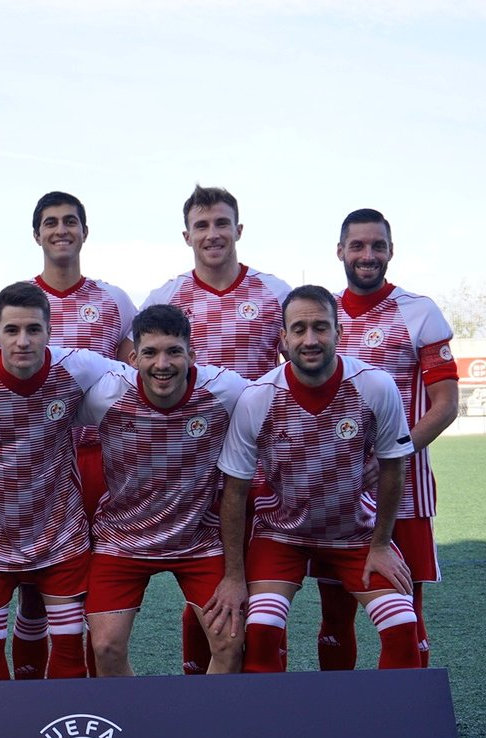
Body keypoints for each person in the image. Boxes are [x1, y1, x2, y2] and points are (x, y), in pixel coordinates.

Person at [217, 285, 419, 672]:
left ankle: (387, 729)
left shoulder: (375, 386)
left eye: (321, 328)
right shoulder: (258, 397)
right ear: (283, 339)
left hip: (353, 533)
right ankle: (269, 728)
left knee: (401, 628)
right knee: (261, 630)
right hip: (281, 536)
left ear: (339, 333)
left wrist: (381, 545)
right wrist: (234, 575)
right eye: (299, 329)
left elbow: (394, 467)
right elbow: (235, 490)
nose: (310, 339)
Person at [142, 184, 292, 674]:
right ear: (187, 235)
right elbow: (137, 366)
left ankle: (254, 689)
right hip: (191, 463)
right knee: (203, 578)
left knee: (251, 581)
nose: (213, 234)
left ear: (239, 229)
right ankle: (200, 686)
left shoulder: (275, 293)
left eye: (221, 223)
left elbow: (297, 367)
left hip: (259, 464)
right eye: (202, 226)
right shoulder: (166, 296)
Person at [0, 282, 115, 679]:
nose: (23, 341)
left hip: (60, 534)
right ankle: (3, 734)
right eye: (13, 330)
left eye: (34, 329)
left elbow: (141, 385)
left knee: (70, 650)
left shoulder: (79, 366)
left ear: (50, 332)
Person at [313, 209, 458, 669]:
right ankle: (341, 719)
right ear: (340, 251)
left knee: (406, 616)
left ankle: (407, 723)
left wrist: (393, 452)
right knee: (335, 616)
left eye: (377, 246)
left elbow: (445, 405)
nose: (367, 255)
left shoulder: (420, 311)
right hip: (338, 494)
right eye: (357, 246)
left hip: (406, 494)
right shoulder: (323, 316)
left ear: (391, 251)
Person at [80, 304, 249, 675]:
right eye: (151, 352)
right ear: (132, 357)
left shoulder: (227, 391)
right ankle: (133, 726)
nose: (162, 364)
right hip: (122, 538)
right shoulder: (104, 396)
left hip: (198, 541)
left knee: (229, 643)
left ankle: (207, 726)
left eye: (174, 351)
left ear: (192, 354)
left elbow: (277, 409)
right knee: (105, 647)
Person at [15, 191, 137, 679]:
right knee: (32, 582)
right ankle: (27, 695)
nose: (60, 230)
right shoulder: (17, 300)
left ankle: (88, 692)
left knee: (86, 579)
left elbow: (134, 373)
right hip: (34, 461)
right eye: (50, 222)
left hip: (99, 458)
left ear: (84, 231)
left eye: (70, 221)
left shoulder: (113, 300)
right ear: (37, 234)